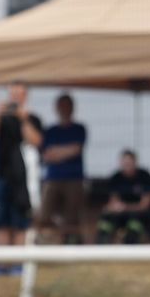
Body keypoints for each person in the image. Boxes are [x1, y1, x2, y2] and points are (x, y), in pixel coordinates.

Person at [0, 84, 43, 263]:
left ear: (26, 95)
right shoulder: (2, 118)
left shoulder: (32, 118)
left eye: (20, 93)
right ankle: (2, 263)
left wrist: (23, 119)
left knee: (20, 222)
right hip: (2, 175)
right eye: (13, 93)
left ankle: (18, 263)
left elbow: (36, 140)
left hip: (22, 179)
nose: (16, 96)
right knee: (0, 221)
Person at [37, 93, 89, 245]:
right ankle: (47, 242)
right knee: (45, 214)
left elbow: (76, 149)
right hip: (52, 178)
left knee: (72, 215)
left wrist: (57, 152)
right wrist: (66, 151)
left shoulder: (79, 128)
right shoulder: (50, 130)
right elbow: (47, 154)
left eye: (67, 105)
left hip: (74, 178)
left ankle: (71, 243)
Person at [97, 150, 150, 244]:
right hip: (121, 216)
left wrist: (126, 207)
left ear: (135, 162)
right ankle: (101, 251)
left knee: (134, 225)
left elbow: (145, 205)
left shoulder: (144, 176)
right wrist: (111, 208)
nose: (127, 165)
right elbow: (114, 202)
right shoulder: (116, 178)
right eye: (125, 163)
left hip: (139, 216)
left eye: (129, 163)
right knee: (105, 222)